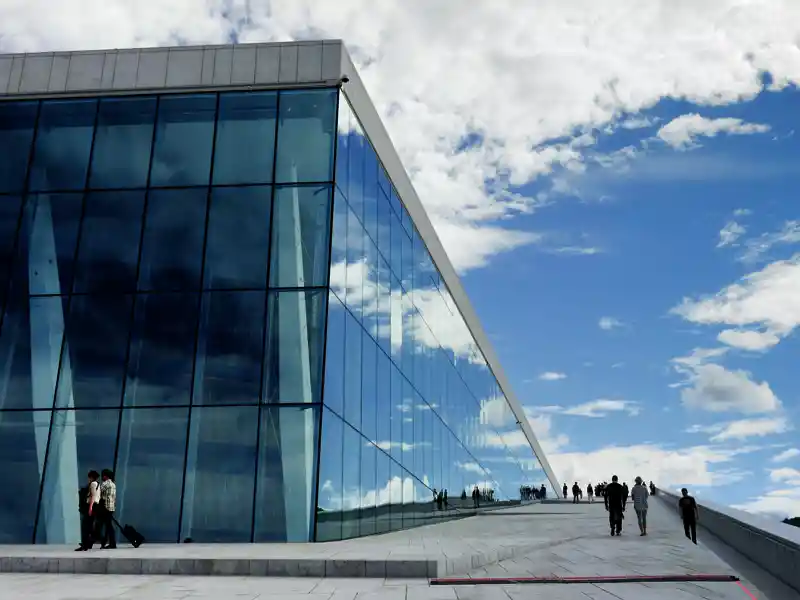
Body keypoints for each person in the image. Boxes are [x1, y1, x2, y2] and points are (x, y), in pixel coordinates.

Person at [75, 470, 100, 551]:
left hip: (90, 508)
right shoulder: (97, 485)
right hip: (93, 508)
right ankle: (88, 542)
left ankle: (85, 544)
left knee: (85, 526)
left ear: (91, 477)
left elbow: (93, 497)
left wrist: (90, 508)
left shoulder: (93, 484)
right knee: (89, 526)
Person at [97, 469, 117, 549]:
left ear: (106, 476)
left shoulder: (105, 484)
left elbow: (98, 493)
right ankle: (107, 542)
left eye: (103, 475)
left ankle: (109, 543)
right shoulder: (113, 484)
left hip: (105, 508)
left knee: (101, 525)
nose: (102, 477)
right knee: (108, 526)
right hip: (111, 508)